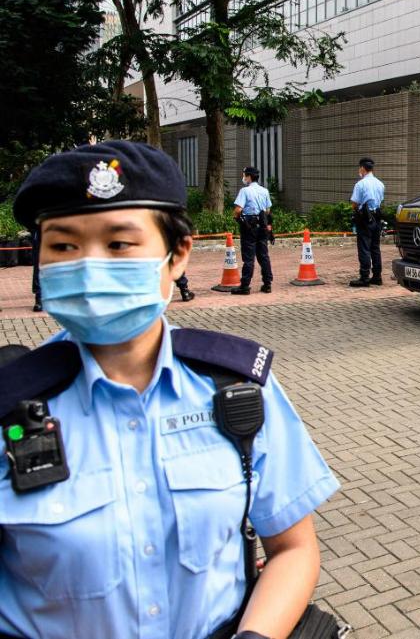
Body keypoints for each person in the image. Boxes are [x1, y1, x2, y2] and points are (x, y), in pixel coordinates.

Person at [1, 140, 340, 639]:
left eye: (119, 244)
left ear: (177, 254)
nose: (90, 267)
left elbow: (292, 548)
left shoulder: (237, 388)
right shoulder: (7, 403)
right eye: (64, 246)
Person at [232, 166, 272, 295]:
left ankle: (244, 286)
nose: (243, 177)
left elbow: (238, 209)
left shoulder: (245, 191)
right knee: (263, 255)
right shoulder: (264, 191)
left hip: (249, 226)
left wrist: (236, 217)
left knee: (249, 257)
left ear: (249, 176)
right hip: (262, 225)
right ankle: (267, 284)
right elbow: (268, 210)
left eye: (244, 175)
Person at [349, 157, 385, 287]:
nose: (359, 170)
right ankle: (377, 277)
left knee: (364, 247)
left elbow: (354, 203)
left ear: (363, 168)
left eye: (360, 168)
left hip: (365, 219)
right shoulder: (380, 184)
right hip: (377, 218)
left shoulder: (361, 184)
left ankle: (364, 277)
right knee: (375, 248)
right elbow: (381, 200)